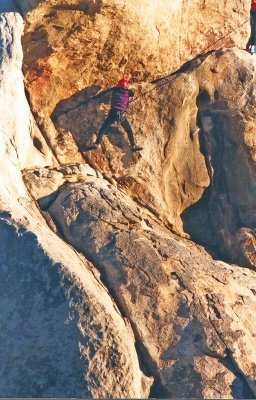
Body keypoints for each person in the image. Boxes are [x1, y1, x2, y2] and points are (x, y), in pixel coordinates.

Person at [88, 79, 143, 152]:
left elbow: (106, 93)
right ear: (126, 86)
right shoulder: (127, 93)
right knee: (128, 130)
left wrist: (96, 97)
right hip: (121, 115)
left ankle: (96, 144)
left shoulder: (115, 90)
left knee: (103, 129)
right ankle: (133, 146)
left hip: (112, 113)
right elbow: (132, 93)